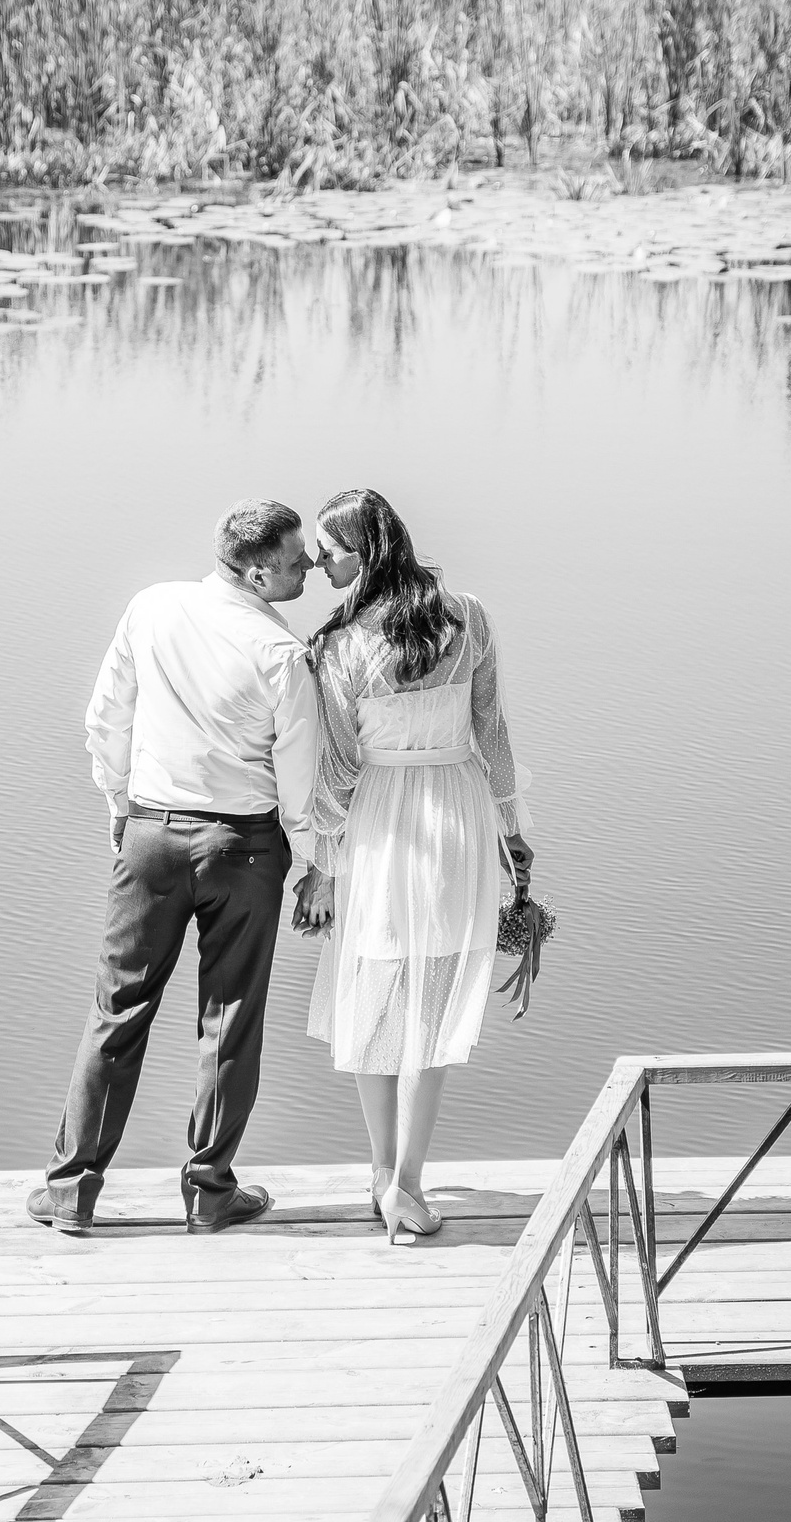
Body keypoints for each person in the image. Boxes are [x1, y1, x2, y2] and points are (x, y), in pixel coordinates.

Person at [29, 501, 324, 1237]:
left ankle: (70, 1190)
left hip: (152, 837)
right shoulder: (281, 653)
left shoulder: (152, 607)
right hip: (245, 849)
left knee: (117, 1010)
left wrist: (118, 804)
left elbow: (107, 717)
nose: (308, 570)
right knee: (229, 1022)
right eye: (295, 562)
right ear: (256, 569)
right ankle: (209, 1192)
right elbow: (300, 779)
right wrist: (316, 863)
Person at [295, 488, 534, 1243]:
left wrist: (321, 864)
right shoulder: (469, 615)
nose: (317, 559)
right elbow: (491, 734)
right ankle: (408, 1180)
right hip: (456, 811)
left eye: (330, 549)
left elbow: (335, 769)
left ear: (363, 554)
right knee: (429, 998)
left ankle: (381, 1174)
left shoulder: (337, 645)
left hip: (379, 818)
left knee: (372, 985)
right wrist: (513, 836)